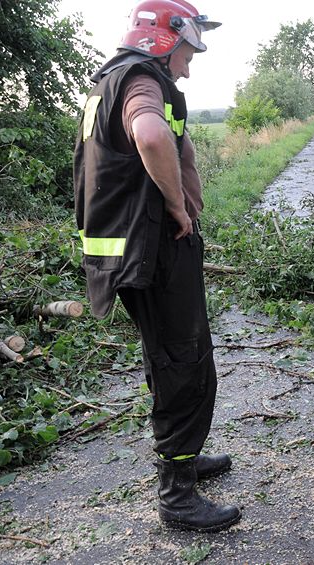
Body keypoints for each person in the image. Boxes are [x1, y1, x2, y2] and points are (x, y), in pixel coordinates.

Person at [73, 0, 240, 532]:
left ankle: (183, 458)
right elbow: (149, 135)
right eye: (187, 55)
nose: (187, 69)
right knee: (184, 363)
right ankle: (177, 494)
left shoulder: (110, 80)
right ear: (166, 41)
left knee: (168, 357)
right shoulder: (142, 80)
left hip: (131, 250)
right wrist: (175, 203)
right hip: (155, 248)